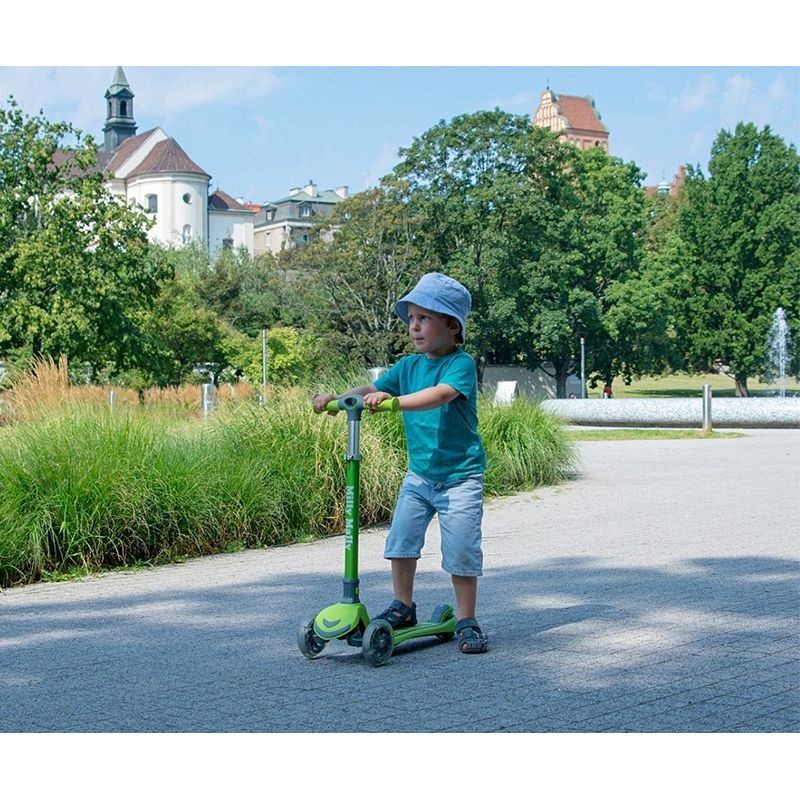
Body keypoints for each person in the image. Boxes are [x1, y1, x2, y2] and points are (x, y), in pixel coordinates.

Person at [312, 272, 488, 654]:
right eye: (410, 319)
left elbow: (439, 396)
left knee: (460, 550)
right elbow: (372, 389)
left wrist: (393, 403)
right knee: (401, 540)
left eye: (423, 318)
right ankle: (403, 606)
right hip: (420, 476)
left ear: (451, 325)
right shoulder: (408, 366)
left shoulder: (461, 364)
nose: (414, 326)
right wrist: (339, 399)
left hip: (460, 478)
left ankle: (467, 619)